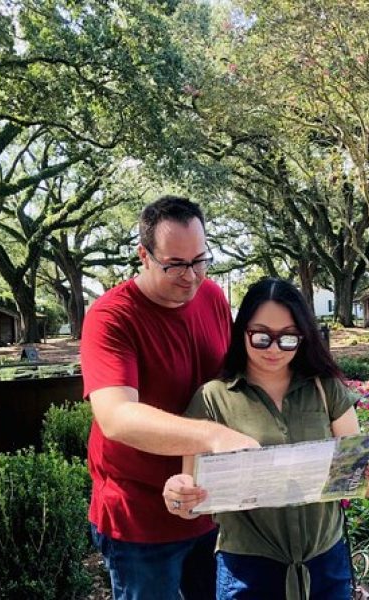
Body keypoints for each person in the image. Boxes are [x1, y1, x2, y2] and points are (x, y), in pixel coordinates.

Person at [162, 278, 369, 600]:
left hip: (326, 564)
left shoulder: (325, 389)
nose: (274, 349)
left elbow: (359, 481)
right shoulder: (213, 398)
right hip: (247, 571)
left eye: (288, 339)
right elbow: (190, 503)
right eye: (261, 337)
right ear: (242, 332)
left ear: (303, 337)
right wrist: (179, 495)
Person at [81, 195, 260, 600]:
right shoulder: (112, 316)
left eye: (200, 260)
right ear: (144, 256)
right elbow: (116, 417)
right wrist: (214, 437)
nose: (191, 276)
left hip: (208, 505)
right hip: (140, 520)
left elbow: (234, 381)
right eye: (175, 264)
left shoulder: (212, 296)